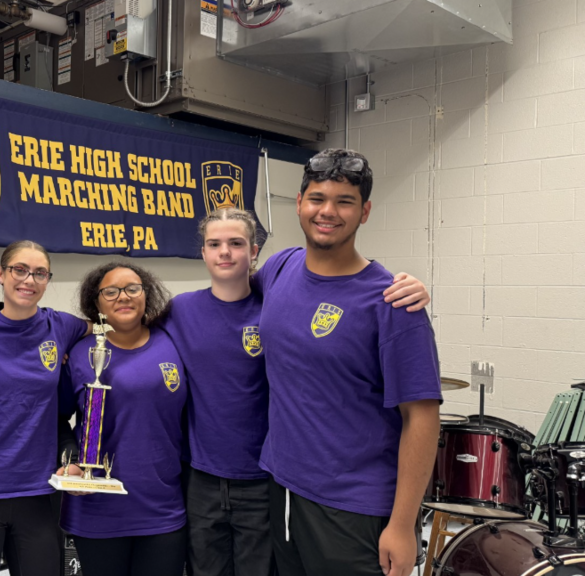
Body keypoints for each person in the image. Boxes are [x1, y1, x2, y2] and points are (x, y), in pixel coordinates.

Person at [157, 206, 432, 576]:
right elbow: (133, 333)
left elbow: (339, 284)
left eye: (236, 243)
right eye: (214, 244)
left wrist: (405, 285)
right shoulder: (180, 310)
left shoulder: (275, 303)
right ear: (202, 251)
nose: (225, 252)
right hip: (203, 476)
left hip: (264, 478)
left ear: (255, 252)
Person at [255, 149, 441, 576]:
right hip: (283, 488)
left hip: (353, 508)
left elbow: (423, 418)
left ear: (365, 212)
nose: (328, 211)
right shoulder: (280, 268)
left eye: (345, 201)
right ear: (299, 202)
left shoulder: (393, 302)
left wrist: (402, 525)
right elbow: (233, 294)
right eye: (318, 198)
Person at [0, 240, 91, 576]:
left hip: (37, 489)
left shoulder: (62, 327)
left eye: (39, 273)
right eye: (19, 270)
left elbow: (104, 331)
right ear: (0, 274)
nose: (29, 280)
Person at [57, 262, 188, 576]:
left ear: (146, 294)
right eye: (111, 291)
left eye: (132, 288)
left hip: (163, 506)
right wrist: (73, 459)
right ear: (96, 302)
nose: (123, 297)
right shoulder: (78, 354)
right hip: (98, 511)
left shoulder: (173, 342)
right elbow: (57, 419)